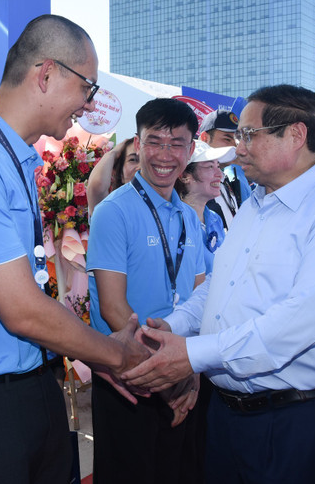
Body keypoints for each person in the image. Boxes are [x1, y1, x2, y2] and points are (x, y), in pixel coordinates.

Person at [0, 14, 148, 483]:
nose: (88, 104)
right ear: (46, 74)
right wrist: (115, 355)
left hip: (30, 389)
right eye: (88, 87)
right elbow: (23, 311)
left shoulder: (9, 155)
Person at [123, 84, 315, 484]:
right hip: (226, 415)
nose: (237, 148)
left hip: (296, 422)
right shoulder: (255, 204)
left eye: (247, 135)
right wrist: (174, 327)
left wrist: (192, 355)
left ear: (295, 135)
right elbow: (219, 287)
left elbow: (299, 325)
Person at [86, 97, 206, 484]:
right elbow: (112, 306)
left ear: (191, 149)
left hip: (182, 377)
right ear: (137, 144)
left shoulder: (191, 217)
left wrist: (192, 366)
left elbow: (201, 296)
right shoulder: (114, 212)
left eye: (177, 144)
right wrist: (167, 372)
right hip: (129, 380)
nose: (164, 154)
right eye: (155, 141)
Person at [174, 141, 236, 275]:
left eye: (218, 166)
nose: (220, 174)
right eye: (209, 167)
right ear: (184, 176)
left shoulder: (215, 219)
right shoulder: (173, 222)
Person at [198, 108, 251, 230]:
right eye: (227, 139)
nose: (234, 146)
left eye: (237, 139)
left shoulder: (227, 180)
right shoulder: (189, 182)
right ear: (205, 138)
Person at [86, 135, 139, 216]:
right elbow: (97, 187)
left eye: (148, 160)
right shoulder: (114, 210)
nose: (141, 167)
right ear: (121, 174)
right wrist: (113, 153)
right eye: (133, 159)